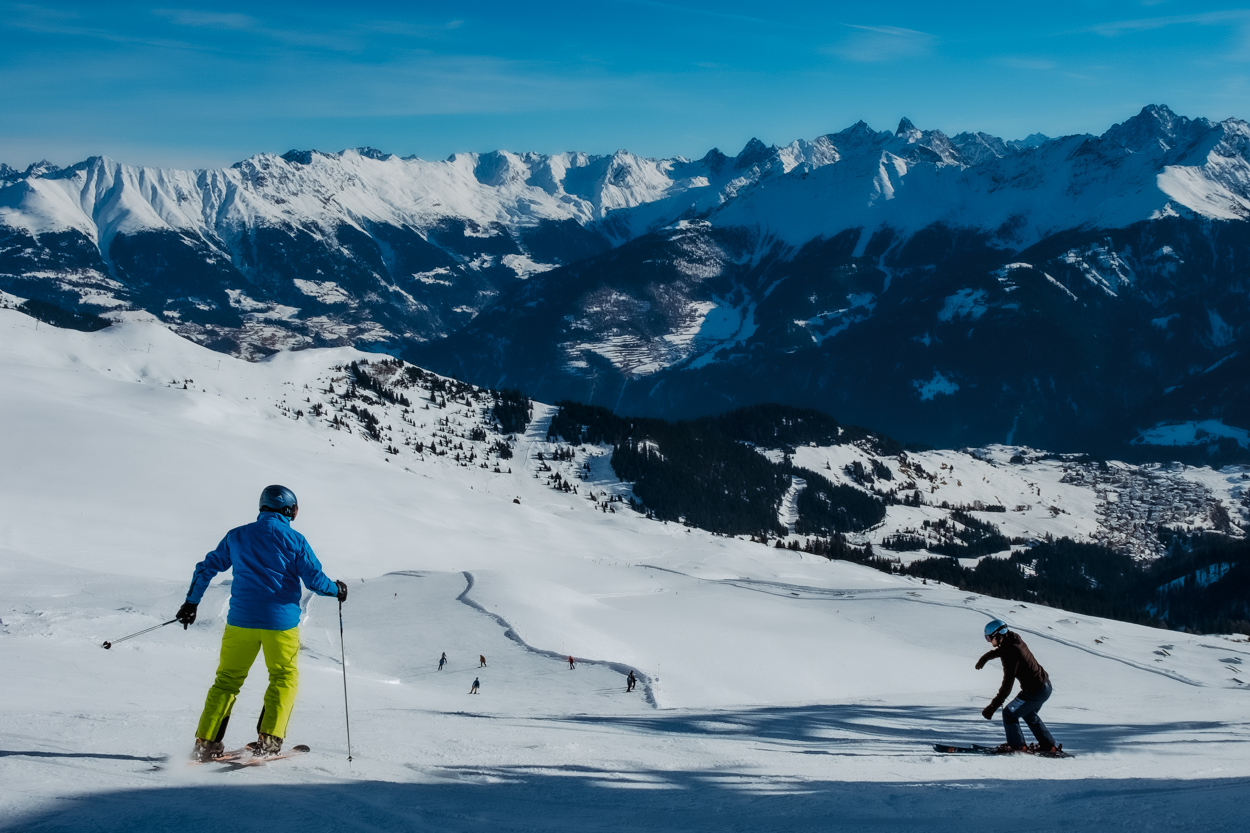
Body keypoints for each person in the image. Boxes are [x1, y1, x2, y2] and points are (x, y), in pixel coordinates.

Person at [178, 486, 346, 762]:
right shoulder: (295, 539)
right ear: (289, 510)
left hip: (240, 622)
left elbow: (205, 568)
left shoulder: (238, 536)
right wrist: (337, 589)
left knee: (226, 682)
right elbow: (315, 581)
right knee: (283, 678)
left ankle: (206, 743)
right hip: (280, 625)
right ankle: (269, 740)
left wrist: (191, 603)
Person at [976, 619, 1061, 754]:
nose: (989, 641)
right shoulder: (1014, 638)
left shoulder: (1010, 654)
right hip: (1045, 687)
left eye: (989, 638)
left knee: (1009, 714)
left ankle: (1018, 747)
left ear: (998, 635)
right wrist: (986, 657)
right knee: (1028, 714)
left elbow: (1007, 685)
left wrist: (993, 706)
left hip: (1034, 691)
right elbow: (1004, 649)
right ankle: (1048, 745)